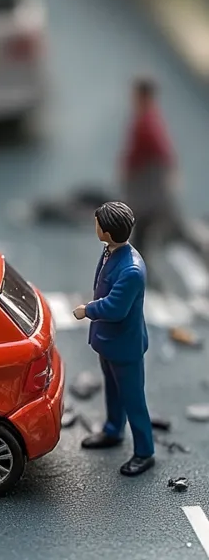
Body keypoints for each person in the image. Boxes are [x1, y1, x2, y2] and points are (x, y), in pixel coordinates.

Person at [72, 201, 155, 477]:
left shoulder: (131, 270)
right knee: (112, 389)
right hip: (108, 340)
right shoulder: (110, 251)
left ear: (106, 231)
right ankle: (112, 430)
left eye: (97, 223)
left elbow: (116, 309)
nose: (94, 226)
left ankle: (144, 451)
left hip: (124, 344)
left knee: (133, 399)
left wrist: (87, 310)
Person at [120, 76, 179, 268]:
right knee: (142, 237)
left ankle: (138, 278)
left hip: (146, 194)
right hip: (149, 192)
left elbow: (153, 154)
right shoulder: (151, 119)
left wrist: (128, 172)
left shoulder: (146, 122)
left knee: (142, 237)